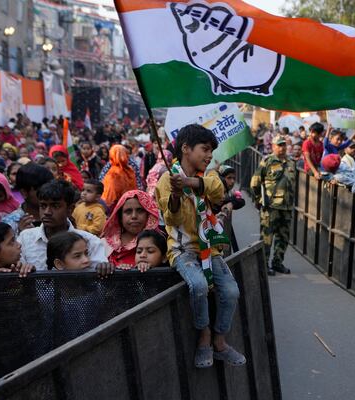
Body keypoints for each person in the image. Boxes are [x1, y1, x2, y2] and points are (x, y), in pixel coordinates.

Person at [155, 124, 245, 369]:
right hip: (182, 250)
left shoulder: (210, 175)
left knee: (231, 291)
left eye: (211, 152)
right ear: (185, 148)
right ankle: (204, 336)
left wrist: (190, 183)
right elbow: (170, 221)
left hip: (209, 249)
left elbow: (217, 193)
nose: (209, 156)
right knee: (198, 285)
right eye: (204, 149)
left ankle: (220, 340)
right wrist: (175, 194)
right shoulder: (166, 179)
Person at [17, 180, 108, 271]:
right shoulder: (25, 238)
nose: (47, 212)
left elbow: (99, 280)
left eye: (55, 206)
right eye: (43, 206)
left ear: (70, 209)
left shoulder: (91, 241)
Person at [250, 135, 295, 275]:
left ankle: (277, 263)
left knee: (283, 237)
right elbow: (255, 182)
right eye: (279, 145)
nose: (282, 147)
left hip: (286, 207)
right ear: (273, 146)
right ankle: (263, 265)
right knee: (266, 238)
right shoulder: (267, 161)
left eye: (284, 145)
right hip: (271, 207)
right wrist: (258, 200)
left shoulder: (291, 162)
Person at [100, 190, 159, 267]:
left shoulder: (157, 243)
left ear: (149, 214)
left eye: (140, 211)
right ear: (120, 217)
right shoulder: (104, 244)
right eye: (128, 211)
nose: (134, 216)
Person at [2, 163, 54, 235]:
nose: (48, 194)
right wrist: (21, 235)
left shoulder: (58, 215)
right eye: (41, 190)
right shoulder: (10, 224)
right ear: (24, 193)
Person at [101, 144, 139, 209]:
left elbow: (109, 197)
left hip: (119, 207)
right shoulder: (127, 170)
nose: (127, 156)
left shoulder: (112, 172)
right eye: (125, 154)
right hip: (128, 206)